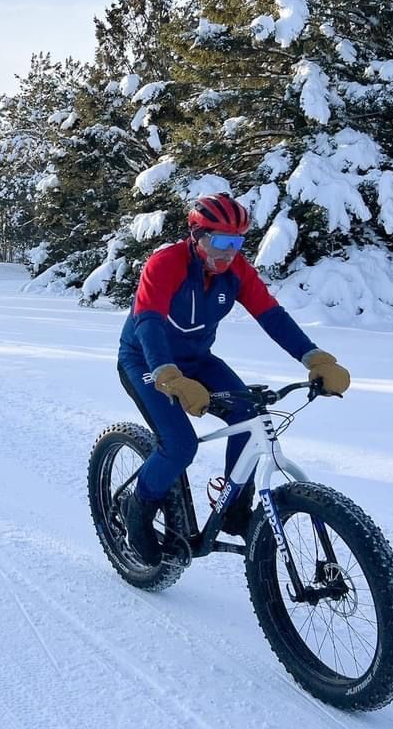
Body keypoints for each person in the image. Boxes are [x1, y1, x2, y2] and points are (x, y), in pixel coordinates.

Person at [116, 193, 351, 564]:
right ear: (196, 235)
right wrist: (168, 377)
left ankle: (233, 505)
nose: (229, 252)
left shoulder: (237, 270)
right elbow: (148, 322)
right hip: (146, 359)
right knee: (179, 446)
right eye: (220, 241)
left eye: (238, 242)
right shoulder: (166, 264)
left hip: (197, 360)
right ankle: (137, 510)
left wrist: (314, 358)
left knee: (247, 416)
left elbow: (272, 315)